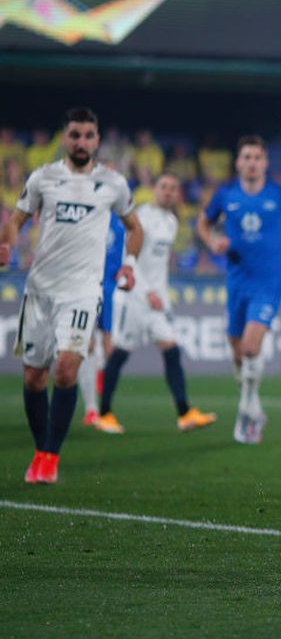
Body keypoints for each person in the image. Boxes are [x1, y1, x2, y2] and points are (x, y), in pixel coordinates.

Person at [0, 107, 143, 484]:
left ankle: (49, 457)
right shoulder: (44, 178)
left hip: (82, 291)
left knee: (66, 368)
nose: (81, 142)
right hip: (41, 289)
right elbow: (16, 219)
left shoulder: (113, 183)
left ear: (97, 140)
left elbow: (134, 228)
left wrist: (129, 264)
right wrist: (6, 245)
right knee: (34, 378)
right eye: (75, 134)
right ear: (66, 137)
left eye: (88, 135)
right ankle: (40, 447)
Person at [197, 135, 281, 444]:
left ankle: (246, 410)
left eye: (257, 157)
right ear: (238, 162)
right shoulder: (226, 195)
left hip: (269, 280)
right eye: (246, 157)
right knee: (237, 350)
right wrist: (212, 243)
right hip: (237, 280)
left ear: (264, 162)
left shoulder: (280, 194)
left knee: (249, 346)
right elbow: (203, 222)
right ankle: (252, 402)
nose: (251, 162)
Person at [96, 173, 217, 433]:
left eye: (173, 188)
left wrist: (160, 293)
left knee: (171, 351)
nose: (169, 192)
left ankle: (185, 413)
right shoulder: (141, 217)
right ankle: (103, 413)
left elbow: (158, 264)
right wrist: (148, 290)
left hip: (156, 302)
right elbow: (131, 258)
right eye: (164, 187)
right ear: (154, 190)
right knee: (119, 353)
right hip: (134, 297)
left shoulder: (171, 222)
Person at [80, 211, 124, 430]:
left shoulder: (123, 221)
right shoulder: (89, 212)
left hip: (112, 289)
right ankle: (91, 408)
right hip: (86, 285)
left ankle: (105, 407)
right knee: (86, 344)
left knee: (109, 346)